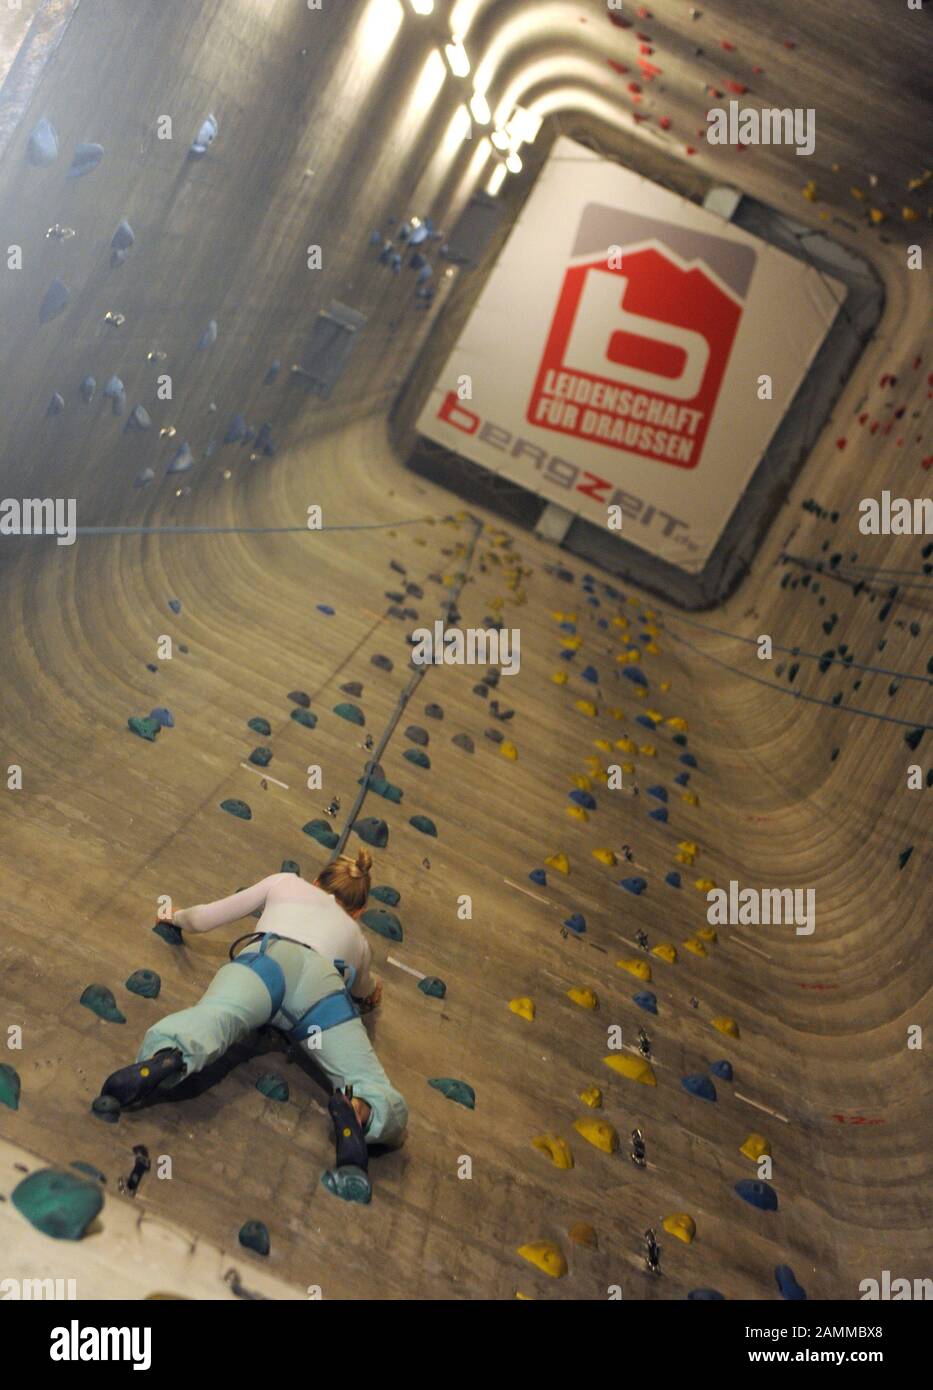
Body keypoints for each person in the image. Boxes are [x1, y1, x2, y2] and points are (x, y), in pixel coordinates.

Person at [96, 852, 407, 1196]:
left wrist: (174, 916)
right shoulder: (358, 939)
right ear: (359, 912)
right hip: (321, 989)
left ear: (316, 881)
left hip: (266, 963)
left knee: (216, 1016)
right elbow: (365, 991)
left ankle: (170, 1055)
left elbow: (205, 917)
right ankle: (360, 1110)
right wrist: (374, 989)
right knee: (366, 1079)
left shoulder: (286, 882)